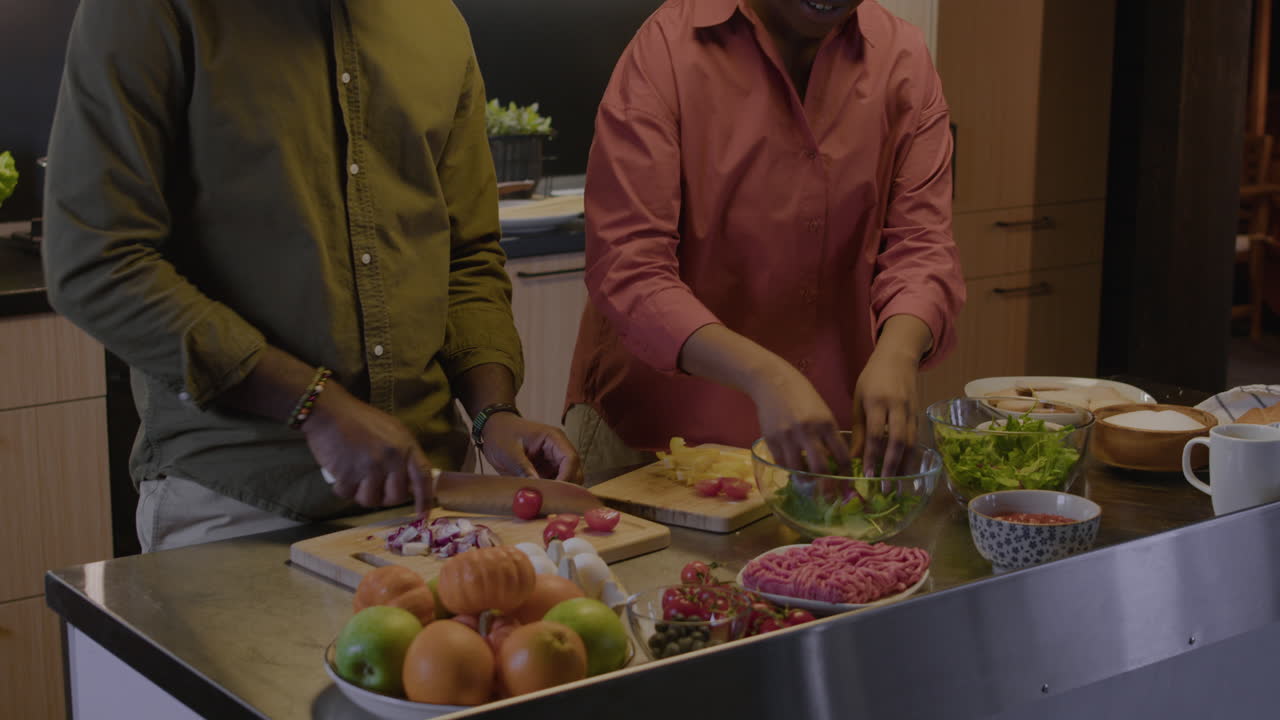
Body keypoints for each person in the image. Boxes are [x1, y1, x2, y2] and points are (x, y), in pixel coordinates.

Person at [42, 0, 580, 553]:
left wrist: (494, 412)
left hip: (432, 499)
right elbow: (96, 259)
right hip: (239, 507)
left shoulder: (436, 19)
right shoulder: (150, 12)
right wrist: (315, 406)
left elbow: (465, 255)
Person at [565, 0, 965, 477]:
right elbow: (628, 269)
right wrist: (766, 376)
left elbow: (922, 247)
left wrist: (898, 351)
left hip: (829, 446)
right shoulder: (667, 49)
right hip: (653, 441)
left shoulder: (903, 57)